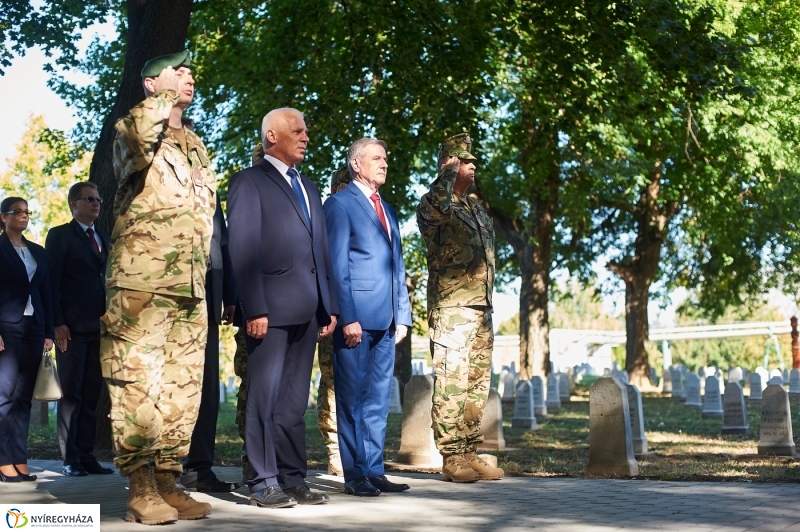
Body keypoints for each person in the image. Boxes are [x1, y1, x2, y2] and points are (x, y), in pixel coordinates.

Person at [102, 50, 215, 525]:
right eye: (176, 71)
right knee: (136, 386)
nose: (187, 77)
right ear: (151, 85)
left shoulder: (195, 144)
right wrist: (163, 94)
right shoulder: (132, 129)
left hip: (189, 286)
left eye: (189, 72)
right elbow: (140, 137)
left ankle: (168, 480)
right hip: (140, 285)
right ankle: (141, 486)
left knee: (181, 391)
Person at [227, 107, 337, 508]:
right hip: (268, 311)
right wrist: (253, 307)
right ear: (272, 136)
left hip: (307, 310)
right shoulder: (248, 182)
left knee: (294, 402)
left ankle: (292, 477)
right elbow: (242, 248)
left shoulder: (309, 187)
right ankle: (262, 479)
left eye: (307, 130)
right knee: (264, 397)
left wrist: (329, 306)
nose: (306, 136)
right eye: (298, 130)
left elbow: (319, 250)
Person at [324, 139, 412, 497]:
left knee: (377, 399)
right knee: (352, 400)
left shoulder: (387, 209)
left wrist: (403, 315)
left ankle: (375, 469)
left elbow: (398, 266)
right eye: (377, 158)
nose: (384, 163)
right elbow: (336, 265)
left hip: (388, 321)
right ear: (356, 165)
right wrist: (347, 317)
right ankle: (354, 473)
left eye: (386, 158)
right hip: (356, 321)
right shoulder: (339, 205)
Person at [416, 133, 504, 483]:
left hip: (481, 308)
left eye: (472, 160)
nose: (473, 165)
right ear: (449, 164)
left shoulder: (476, 208)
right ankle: (451, 456)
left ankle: (468, 449)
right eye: (464, 160)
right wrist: (447, 174)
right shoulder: (435, 203)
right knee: (452, 381)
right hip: (452, 308)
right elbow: (436, 210)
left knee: (476, 384)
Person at [179, 118, 239, 494]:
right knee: (172, 387)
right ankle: (163, 469)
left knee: (206, 388)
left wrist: (230, 295)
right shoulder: (156, 178)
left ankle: (198, 467)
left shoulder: (208, 184)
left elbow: (224, 241)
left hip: (209, 298)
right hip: (173, 296)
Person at [45, 182, 113, 477]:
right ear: (74, 204)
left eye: (98, 198)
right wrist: (57, 323)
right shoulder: (60, 236)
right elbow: (52, 282)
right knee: (71, 394)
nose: (96, 203)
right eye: (90, 199)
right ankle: (70, 457)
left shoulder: (104, 237)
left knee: (91, 392)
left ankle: (87, 455)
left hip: (100, 328)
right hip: (70, 329)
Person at [0, 197, 54, 483]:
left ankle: (19, 458)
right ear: (3, 217)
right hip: (6, 328)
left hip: (35, 327)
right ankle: (3, 460)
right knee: (4, 396)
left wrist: (48, 332)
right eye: (17, 212)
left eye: (26, 212)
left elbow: (45, 292)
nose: (24, 216)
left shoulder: (38, 252)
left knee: (23, 398)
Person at [314, 164, 351, 478]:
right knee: (332, 383)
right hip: (331, 314)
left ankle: (356, 450)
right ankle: (335, 451)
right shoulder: (328, 212)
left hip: (357, 314)